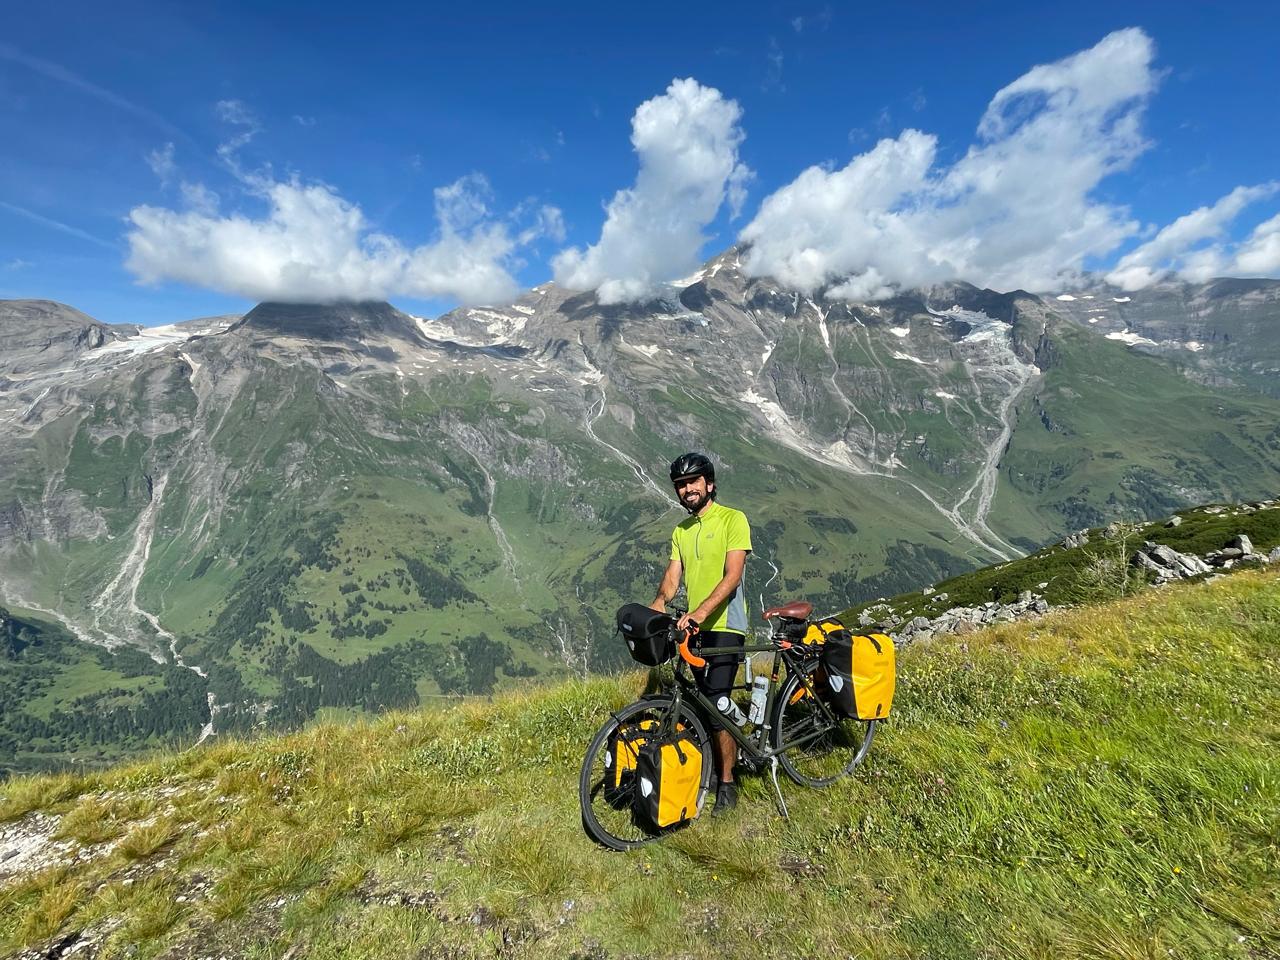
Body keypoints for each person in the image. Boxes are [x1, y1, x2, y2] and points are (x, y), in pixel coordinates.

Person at [649, 452, 752, 815]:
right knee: (702, 702)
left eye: (694, 482)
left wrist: (701, 612)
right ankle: (717, 760)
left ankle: (727, 782)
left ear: (709, 484)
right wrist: (659, 604)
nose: (687, 489)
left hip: (724, 625)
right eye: (681, 484)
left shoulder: (732, 520)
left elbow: (733, 575)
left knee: (718, 702)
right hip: (694, 628)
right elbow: (673, 576)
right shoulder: (681, 530)